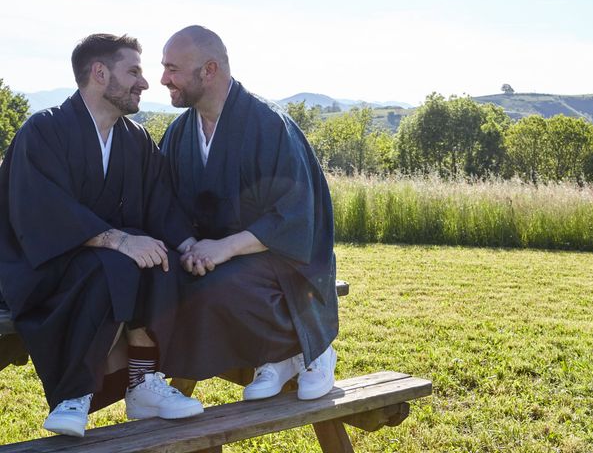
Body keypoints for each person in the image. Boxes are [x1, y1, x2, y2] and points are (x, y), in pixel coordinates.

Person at [0, 34, 203, 438]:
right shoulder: (44, 130)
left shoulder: (136, 139)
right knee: (118, 261)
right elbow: (39, 211)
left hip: (104, 267)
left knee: (160, 258)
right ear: (99, 73)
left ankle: (144, 382)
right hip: (42, 269)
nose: (145, 83)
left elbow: (160, 205)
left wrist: (189, 244)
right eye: (134, 72)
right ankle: (72, 395)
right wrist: (120, 241)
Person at [159, 25, 339, 401]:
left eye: (173, 68)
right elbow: (165, 203)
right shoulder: (179, 134)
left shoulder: (269, 126)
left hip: (282, 259)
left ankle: (309, 349)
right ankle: (277, 355)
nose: (163, 79)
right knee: (167, 282)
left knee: (218, 284)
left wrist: (223, 249)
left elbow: (294, 215)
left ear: (209, 70)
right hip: (211, 258)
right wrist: (193, 247)